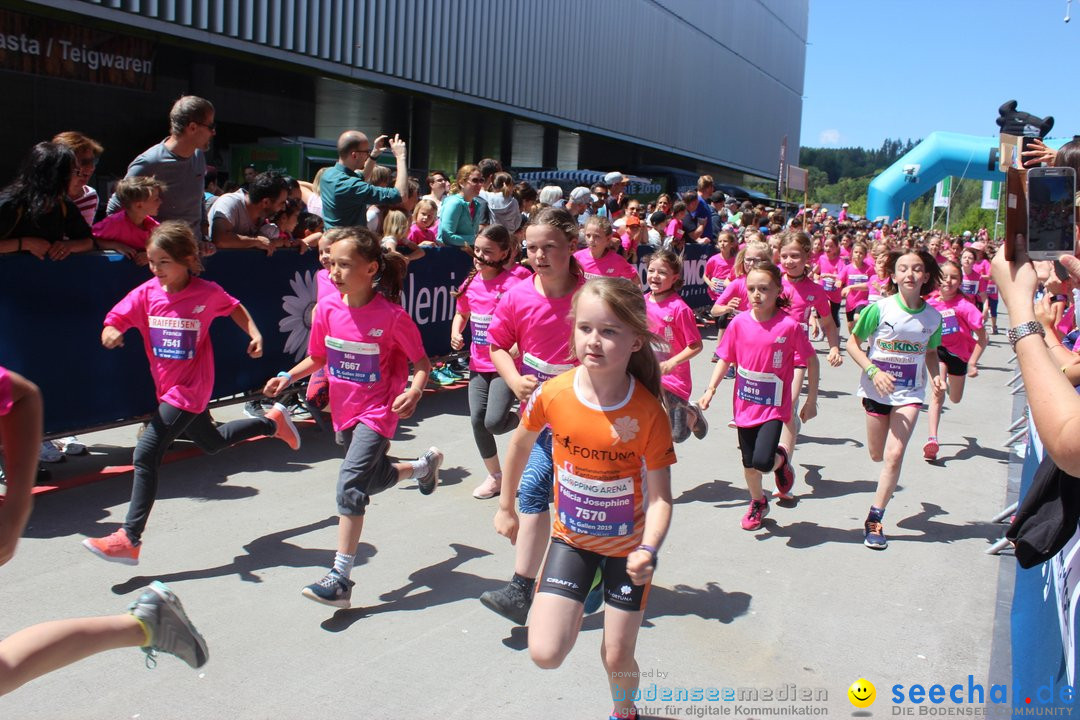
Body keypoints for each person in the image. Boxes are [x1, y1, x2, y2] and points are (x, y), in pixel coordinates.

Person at [494, 278, 674, 720]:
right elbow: (519, 445)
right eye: (585, 328)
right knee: (544, 653)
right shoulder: (554, 393)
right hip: (571, 542)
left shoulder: (648, 413)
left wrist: (649, 549)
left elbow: (662, 499)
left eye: (610, 331)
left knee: (616, 656)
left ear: (636, 340)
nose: (594, 341)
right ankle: (585, 584)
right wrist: (506, 503)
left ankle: (625, 711)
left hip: (626, 552)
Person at [82, 222, 302, 565]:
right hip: (167, 389)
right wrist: (110, 331)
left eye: (164, 262)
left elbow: (233, 307)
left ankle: (129, 537)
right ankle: (272, 423)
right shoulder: (146, 294)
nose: (156, 269)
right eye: (152, 262)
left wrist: (254, 333)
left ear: (187, 259)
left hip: (191, 389)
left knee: (146, 453)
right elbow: (116, 318)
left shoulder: (205, 292)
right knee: (211, 443)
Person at [263, 226, 441, 608]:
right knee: (371, 478)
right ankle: (422, 467)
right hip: (343, 411)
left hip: (379, 412)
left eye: (344, 264)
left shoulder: (392, 317)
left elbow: (422, 362)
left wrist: (414, 389)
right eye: (331, 263)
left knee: (349, 484)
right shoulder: (326, 308)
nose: (334, 272)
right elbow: (319, 358)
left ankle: (340, 577)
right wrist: (287, 377)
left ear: (371, 268)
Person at [480, 207, 585, 625]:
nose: (538, 256)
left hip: (587, 419)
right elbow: (498, 345)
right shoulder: (518, 295)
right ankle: (522, 589)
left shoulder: (592, 295)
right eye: (532, 248)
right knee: (534, 490)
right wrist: (514, 377)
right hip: (539, 415)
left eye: (549, 248)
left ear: (572, 247)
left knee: (576, 502)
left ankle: (589, 574)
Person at [698, 263, 818, 530]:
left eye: (764, 289)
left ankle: (780, 461)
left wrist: (811, 399)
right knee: (749, 463)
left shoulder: (788, 326)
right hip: (744, 406)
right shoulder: (739, 323)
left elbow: (811, 361)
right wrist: (710, 390)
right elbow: (725, 358)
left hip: (774, 407)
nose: (756, 294)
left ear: (778, 290)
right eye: (751, 289)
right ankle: (757, 501)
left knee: (763, 462)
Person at [845, 250, 945, 550]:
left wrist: (937, 376)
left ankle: (875, 518)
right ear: (894, 276)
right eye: (903, 269)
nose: (910, 274)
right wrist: (873, 370)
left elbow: (930, 352)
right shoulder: (880, 309)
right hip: (876, 391)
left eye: (916, 269)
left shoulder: (933, 317)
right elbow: (852, 344)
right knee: (876, 454)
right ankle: (887, 483)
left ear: (926, 276)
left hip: (909, 393)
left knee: (894, 455)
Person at [450, 225, 527, 500]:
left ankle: (528, 418)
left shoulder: (516, 283)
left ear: (504, 253)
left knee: (494, 422)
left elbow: (529, 320)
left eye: (487, 252)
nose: (479, 256)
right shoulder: (470, 282)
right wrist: (455, 331)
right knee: (477, 420)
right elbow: (462, 313)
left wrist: (519, 343)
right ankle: (495, 477)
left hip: (505, 364)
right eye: (477, 250)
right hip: (477, 363)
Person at [107, 96, 216, 251]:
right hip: (159, 261)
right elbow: (116, 208)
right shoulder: (150, 162)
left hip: (191, 255)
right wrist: (142, 247)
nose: (214, 132)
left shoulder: (199, 156)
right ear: (192, 127)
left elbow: (198, 199)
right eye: (211, 126)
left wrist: (204, 237)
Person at [923, 260, 987, 461]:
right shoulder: (930, 302)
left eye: (954, 277)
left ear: (960, 281)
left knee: (955, 398)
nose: (948, 281)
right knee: (937, 394)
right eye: (944, 276)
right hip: (938, 352)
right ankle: (932, 439)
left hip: (960, 357)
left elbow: (983, 339)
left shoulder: (965, 307)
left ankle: (950, 385)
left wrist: (972, 363)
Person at [645, 250, 706, 443]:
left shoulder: (680, 308)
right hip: (648, 375)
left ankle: (692, 413)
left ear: (674, 278)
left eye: (662, 272)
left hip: (674, 378)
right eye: (651, 270)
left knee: (678, 435)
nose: (655, 276)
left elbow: (696, 346)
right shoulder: (642, 301)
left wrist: (672, 362)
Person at [0, 142, 94, 261]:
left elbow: (89, 242)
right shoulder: (10, 205)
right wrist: (24, 243)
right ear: (57, 177)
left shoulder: (64, 205)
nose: (80, 177)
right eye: (75, 172)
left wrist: (69, 246)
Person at [320, 131, 408, 229]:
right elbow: (400, 195)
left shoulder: (328, 174)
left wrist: (374, 154)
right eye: (366, 152)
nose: (367, 155)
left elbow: (363, 176)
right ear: (354, 155)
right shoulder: (349, 185)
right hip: (349, 242)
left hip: (335, 239)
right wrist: (401, 157)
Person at [208, 172, 289, 253]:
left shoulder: (263, 214)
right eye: (281, 203)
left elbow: (268, 243)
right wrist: (257, 241)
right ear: (266, 202)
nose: (283, 208)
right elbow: (220, 240)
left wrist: (290, 243)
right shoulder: (229, 203)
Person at [92, 176, 165, 265]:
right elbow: (90, 240)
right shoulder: (115, 223)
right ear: (139, 206)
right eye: (156, 199)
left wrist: (150, 256)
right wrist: (115, 245)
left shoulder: (153, 227)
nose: (160, 202)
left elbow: (168, 248)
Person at [52, 131, 104, 225]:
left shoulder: (90, 196)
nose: (91, 168)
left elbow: (84, 238)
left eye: (93, 161)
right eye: (84, 162)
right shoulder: (42, 197)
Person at [574, 216, 639, 282]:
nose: (591, 240)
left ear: (608, 239)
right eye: (588, 235)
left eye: (597, 236)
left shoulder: (617, 261)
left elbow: (635, 277)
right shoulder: (576, 258)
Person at [438, 165, 485, 248]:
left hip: (467, 254)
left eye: (481, 180)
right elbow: (447, 237)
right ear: (461, 183)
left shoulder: (477, 204)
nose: (479, 184)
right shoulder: (454, 203)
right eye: (475, 180)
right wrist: (476, 239)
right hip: (449, 255)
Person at [839, 240, 874, 334]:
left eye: (861, 253)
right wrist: (838, 284)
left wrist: (851, 287)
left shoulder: (869, 269)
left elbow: (871, 283)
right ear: (852, 253)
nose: (858, 255)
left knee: (857, 318)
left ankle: (865, 333)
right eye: (856, 252)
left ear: (865, 255)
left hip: (863, 300)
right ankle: (854, 341)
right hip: (850, 302)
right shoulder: (847, 268)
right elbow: (840, 279)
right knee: (850, 325)